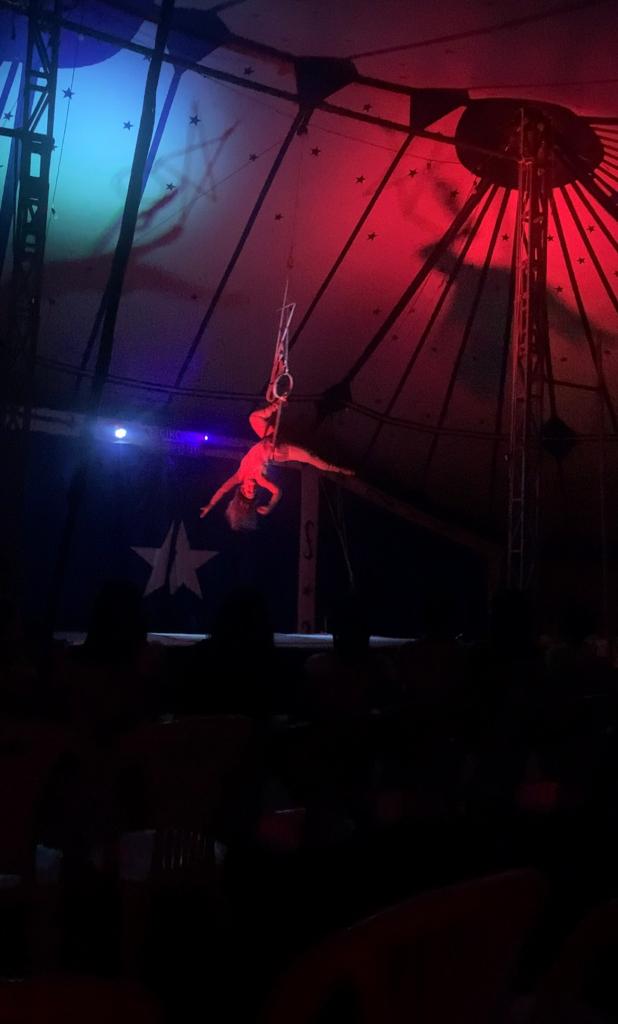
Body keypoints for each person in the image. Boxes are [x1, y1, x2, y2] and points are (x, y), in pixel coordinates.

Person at [199, 399, 353, 531]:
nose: (251, 488)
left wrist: (210, 505)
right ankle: (337, 469)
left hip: (268, 437)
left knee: (253, 418)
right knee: (309, 457)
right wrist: (270, 506)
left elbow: (223, 489)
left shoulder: (239, 475)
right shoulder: (261, 480)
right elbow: (278, 491)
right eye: (253, 491)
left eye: (247, 490)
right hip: (277, 451)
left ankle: (277, 404)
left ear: (241, 489)